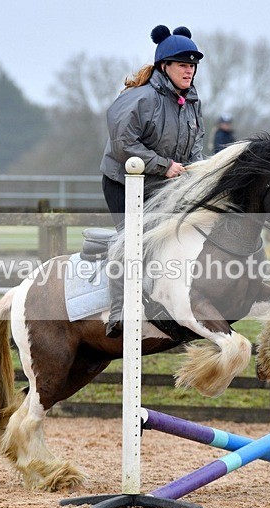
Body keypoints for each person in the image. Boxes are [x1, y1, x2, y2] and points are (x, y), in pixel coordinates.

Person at [99, 24, 206, 337]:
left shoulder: (193, 102)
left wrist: (197, 173)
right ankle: (119, 311)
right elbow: (123, 144)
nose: (190, 71)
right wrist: (164, 165)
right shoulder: (139, 98)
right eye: (183, 65)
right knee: (131, 239)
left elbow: (195, 146)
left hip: (162, 183)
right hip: (124, 181)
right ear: (165, 67)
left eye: (193, 66)